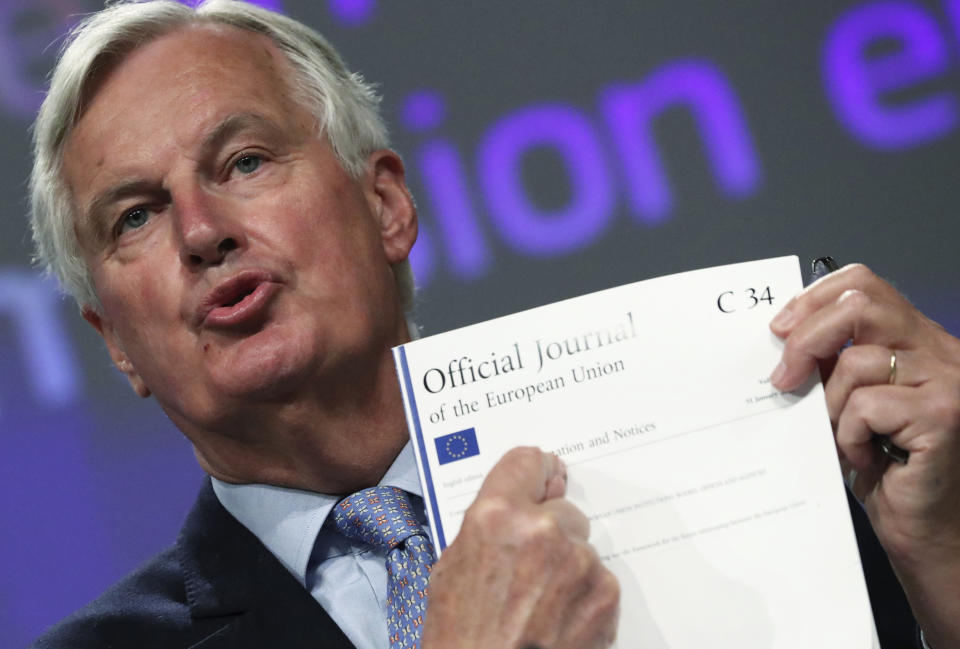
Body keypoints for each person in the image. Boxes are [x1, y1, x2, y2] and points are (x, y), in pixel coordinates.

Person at [24, 1, 958, 648]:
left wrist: (947, 551)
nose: (200, 231)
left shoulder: (763, 474)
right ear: (112, 339)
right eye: (134, 217)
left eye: (246, 161)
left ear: (386, 204)